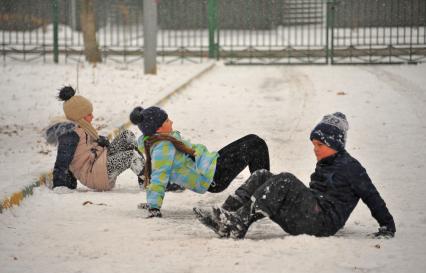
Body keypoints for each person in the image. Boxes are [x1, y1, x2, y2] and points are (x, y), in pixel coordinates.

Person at [194, 112, 396, 239]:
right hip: (307, 217)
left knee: (285, 179)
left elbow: (372, 196)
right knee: (262, 174)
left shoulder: (352, 168)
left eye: (320, 145)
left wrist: (387, 225)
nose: (315, 149)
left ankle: (239, 222)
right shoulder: (326, 164)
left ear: (336, 144)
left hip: (323, 223)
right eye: (314, 145)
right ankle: (225, 215)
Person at [129, 106, 270, 218]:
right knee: (256, 145)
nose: (171, 122)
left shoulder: (163, 140)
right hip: (213, 177)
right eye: (166, 121)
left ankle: (264, 191)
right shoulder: (163, 147)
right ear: (158, 129)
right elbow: (159, 175)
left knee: (254, 139)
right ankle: (266, 196)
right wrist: (154, 206)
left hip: (211, 164)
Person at [47, 86, 145, 192]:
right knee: (131, 156)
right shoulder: (70, 135)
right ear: (79, 116)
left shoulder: (83, 127)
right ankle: (152, 183)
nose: (92, 116)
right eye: (89, 114)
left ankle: (145, 173)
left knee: (127, 136)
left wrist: (100, 141)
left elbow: (87, 145)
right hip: (94, 173)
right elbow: (63, 159)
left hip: (99, 161)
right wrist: (59, 184)